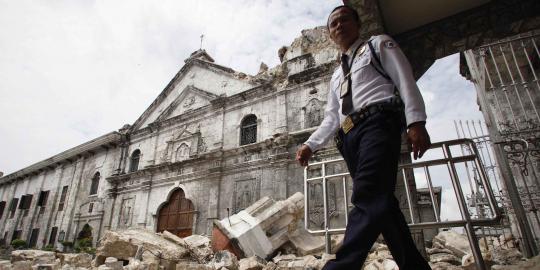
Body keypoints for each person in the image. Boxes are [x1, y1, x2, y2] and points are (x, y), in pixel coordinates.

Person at [295, 5, 432, 270]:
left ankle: (342, 266)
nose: (339, 26)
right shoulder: (336, 75)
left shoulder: (378, 45)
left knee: (367, 193)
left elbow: (405, 79)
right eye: (333, 24)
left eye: (344, 19)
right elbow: (332, 117)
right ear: (330, 34)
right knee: (384, 206)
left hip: (378, 123)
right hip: (349, 138)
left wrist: (416, 120)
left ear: (358, 25)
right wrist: (310, 144)